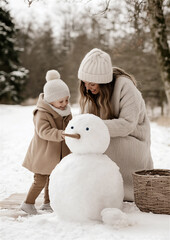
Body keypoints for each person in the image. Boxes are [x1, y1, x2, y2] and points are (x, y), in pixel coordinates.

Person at [78, 48, 153, 201]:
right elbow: (87, 121)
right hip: (110, 136)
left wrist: (93, 127)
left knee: (101, 148)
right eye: (85, 83)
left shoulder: (125, 87)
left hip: (133, 141)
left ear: (103, 82)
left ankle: (114, 190)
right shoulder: (91, 93)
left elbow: (127, 124)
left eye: (91, 83)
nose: (87, 88)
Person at [20, 70, 72, 214]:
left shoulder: (66, 111)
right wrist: (61, 134)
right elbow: (43, 131)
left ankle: (48, 202)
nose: (64, 104)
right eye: (61, 101)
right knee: (40, 180)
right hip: (43, 153)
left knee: (53, 178)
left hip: (57, 153)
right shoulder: (41, 113)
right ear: (50, 100)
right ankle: (28, 203)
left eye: (67, 100)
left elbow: (71, 125)